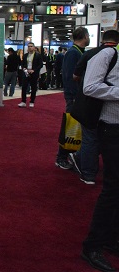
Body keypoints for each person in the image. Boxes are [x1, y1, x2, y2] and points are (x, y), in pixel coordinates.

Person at [80, 43, 119, 272]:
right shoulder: (107, 54)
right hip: (112, 130)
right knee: (112, 189)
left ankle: (110, 238)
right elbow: (90, 87)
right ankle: (92, 246)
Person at [70, 29, 119, 184]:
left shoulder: (89, 53)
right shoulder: (104, 55)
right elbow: (78, 80)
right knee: (90, 139)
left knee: (93, 139)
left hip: (96, 107)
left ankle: (84, 165)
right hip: (91, 106)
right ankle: (88, 171)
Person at [54, 27, 90, 170]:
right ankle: (61, 157)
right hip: (74, 97)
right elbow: (69, 76)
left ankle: (72, 155)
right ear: (85, 36)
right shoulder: (73, 53)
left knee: (76, 128)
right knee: (70, 127)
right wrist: (73, 97)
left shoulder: (79, 52)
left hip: (79, 96)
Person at [18, 42, 43, 108]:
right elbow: (22, 63)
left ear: (34, 47)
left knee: (33, 88)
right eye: (28, 46)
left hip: (34, 73)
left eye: (31, 46)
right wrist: (24, 69)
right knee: (24, 87)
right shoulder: (25, 55)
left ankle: (32, 101)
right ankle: (23, 101)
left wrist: (34, 70)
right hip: (26, 73)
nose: (30, 47)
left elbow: (40, 65)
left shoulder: (38, 55)